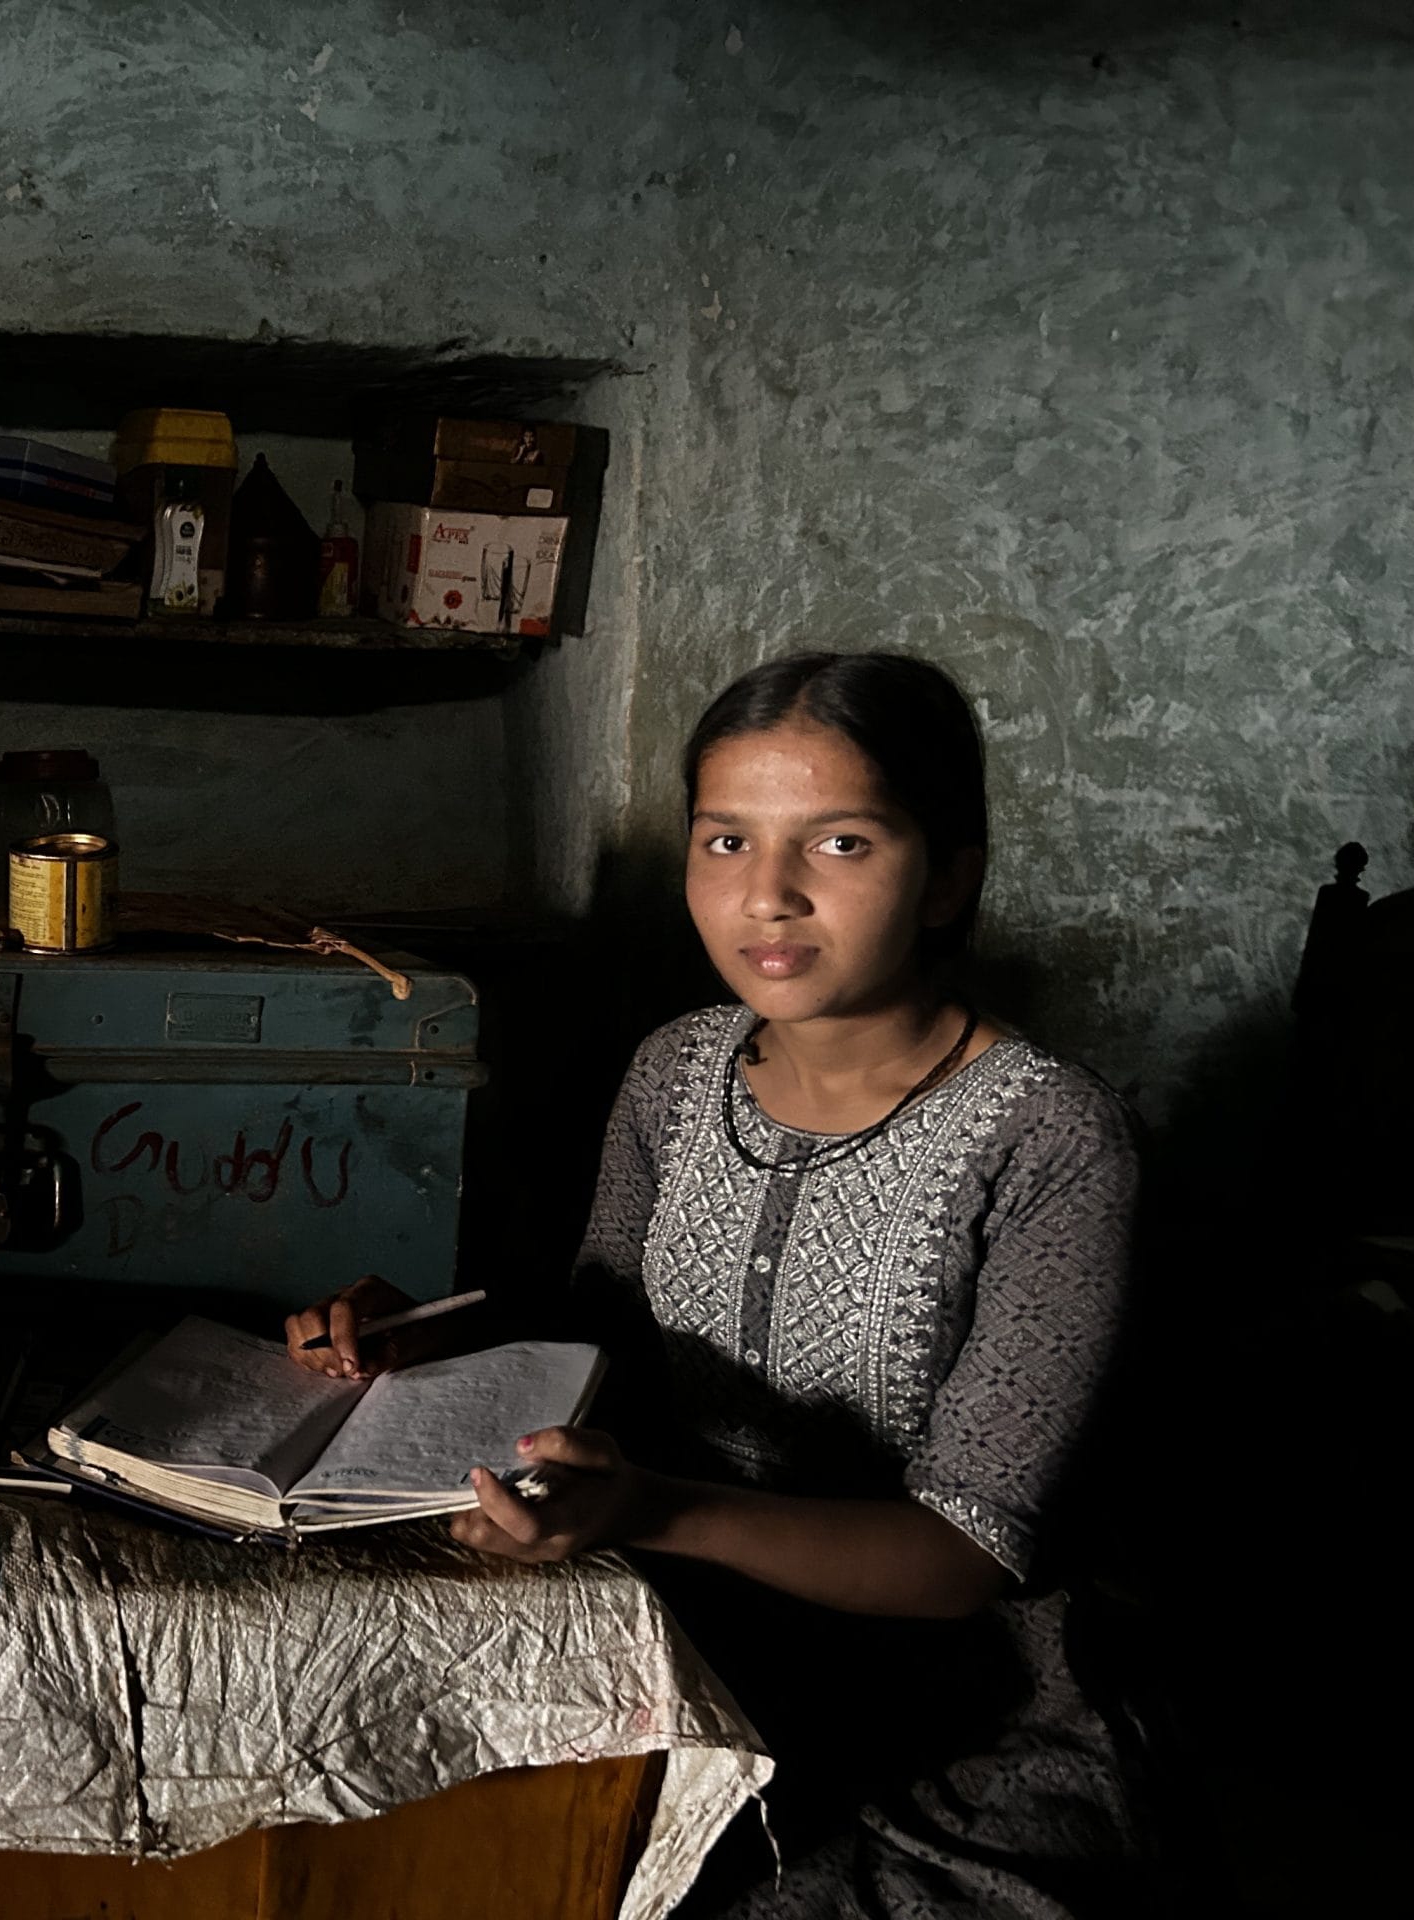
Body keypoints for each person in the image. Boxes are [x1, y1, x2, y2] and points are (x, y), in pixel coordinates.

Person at [286, 651, 1153, 1915]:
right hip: (672, 1647)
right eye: (725, 839)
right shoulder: (675, 1071)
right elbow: (598, 1337)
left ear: (949, 876)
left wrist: (649, 1512)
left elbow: (967, 1550)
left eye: (841, 844)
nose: (770, 897)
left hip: (946, 1723)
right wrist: (422, 1335)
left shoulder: (1053, 1140)